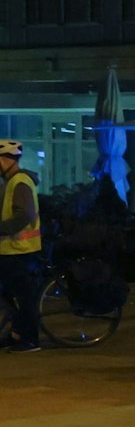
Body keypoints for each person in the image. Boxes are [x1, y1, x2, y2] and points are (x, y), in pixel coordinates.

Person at [0, 139, 44, 353]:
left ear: (5, 160)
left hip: (20, 250)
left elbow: (24, 215)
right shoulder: (10, 182)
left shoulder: (20, 182)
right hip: (10, 249)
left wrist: (2, 229)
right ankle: (16, 333)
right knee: (12, 295)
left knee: (23, 297)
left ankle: (30, 339)